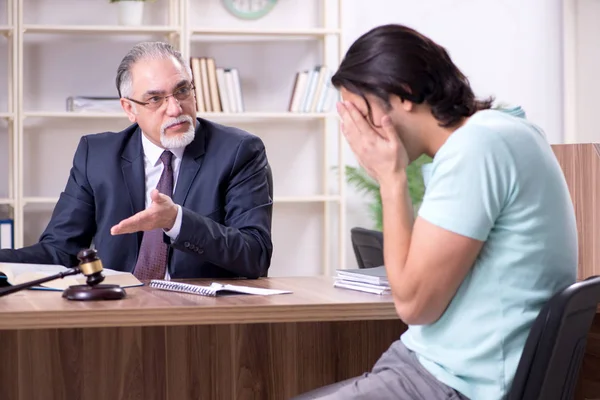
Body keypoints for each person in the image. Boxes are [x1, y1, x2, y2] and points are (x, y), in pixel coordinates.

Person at [293, 24, 577, 400]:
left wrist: (390, 177)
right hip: (435, 368)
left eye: (361, 113)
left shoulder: (478, 147)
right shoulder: (503, 130)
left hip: (453, 383)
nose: (358, 133)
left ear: (404, 94)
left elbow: (414, 305)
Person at [0, 41, 273, 280]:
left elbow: (255, 255)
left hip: (201, 317)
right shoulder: (96, 154)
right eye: (155, 99)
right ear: (129, 108)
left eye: (182, 91)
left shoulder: (239, 151)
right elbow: (59, 251)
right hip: (119, 310)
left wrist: (176, 220)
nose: (175, 108)